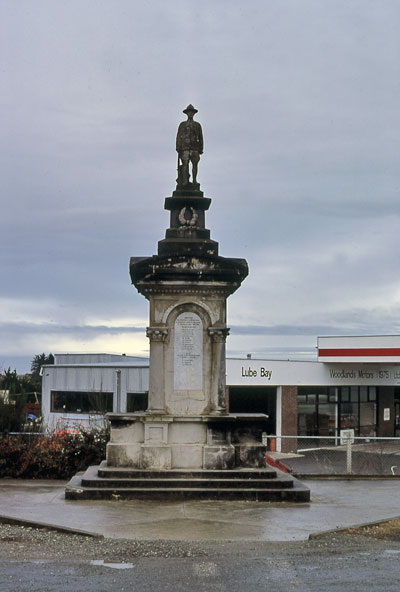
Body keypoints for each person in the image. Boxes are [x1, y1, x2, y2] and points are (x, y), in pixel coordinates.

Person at [176, 104, 203, 186]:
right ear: (187, 113)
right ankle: (185, 181)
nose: (190, 114)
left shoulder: (197, 125)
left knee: (195, 165)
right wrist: (178, 147)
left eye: (192, 112)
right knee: (185, 165)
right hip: (185, 148)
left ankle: (194, 180)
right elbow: (178, 136)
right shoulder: (182, 125)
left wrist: (201, 148)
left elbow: (200, 137)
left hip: (195, 148)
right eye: (189, 112)